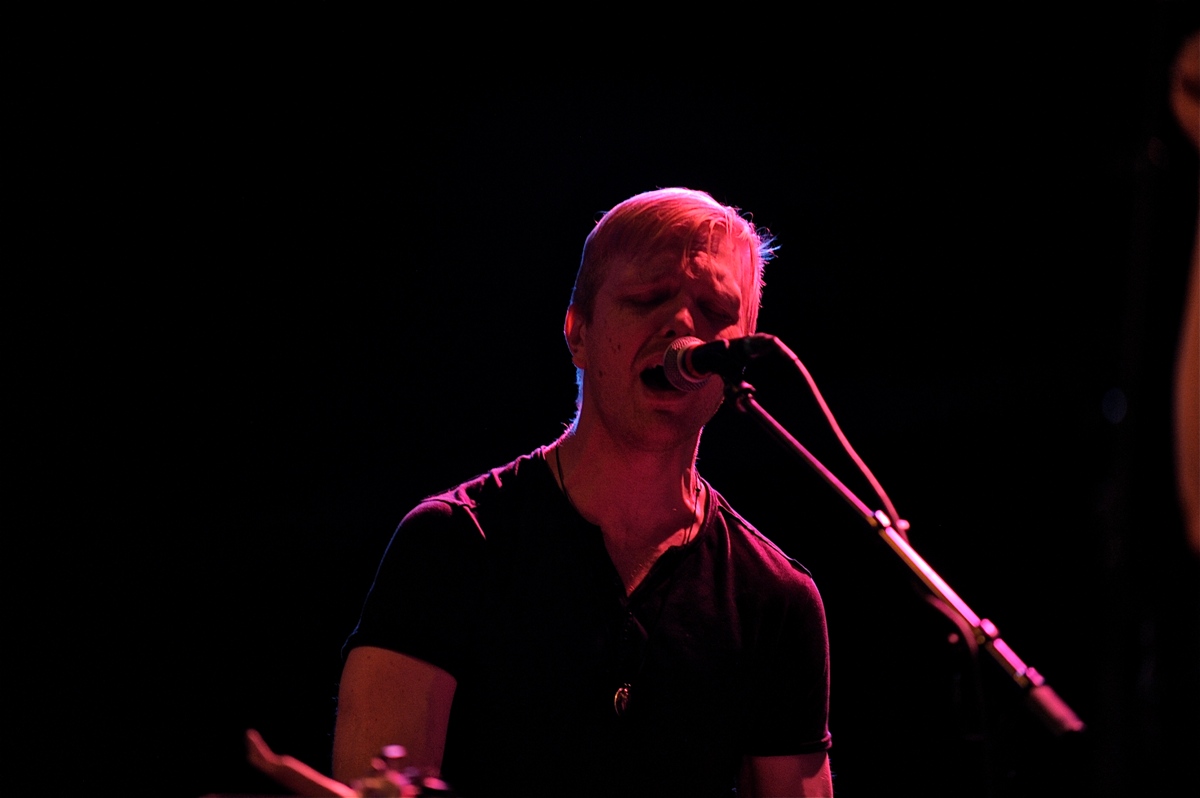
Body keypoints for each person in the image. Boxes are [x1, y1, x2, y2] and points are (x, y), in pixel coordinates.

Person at [332, 188, 833, 797]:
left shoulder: (774, 599)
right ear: (578, 333)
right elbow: (371, 779)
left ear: (737, 361)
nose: (682, 324)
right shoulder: (452, 545)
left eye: (713, 308)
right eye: (647, 298)